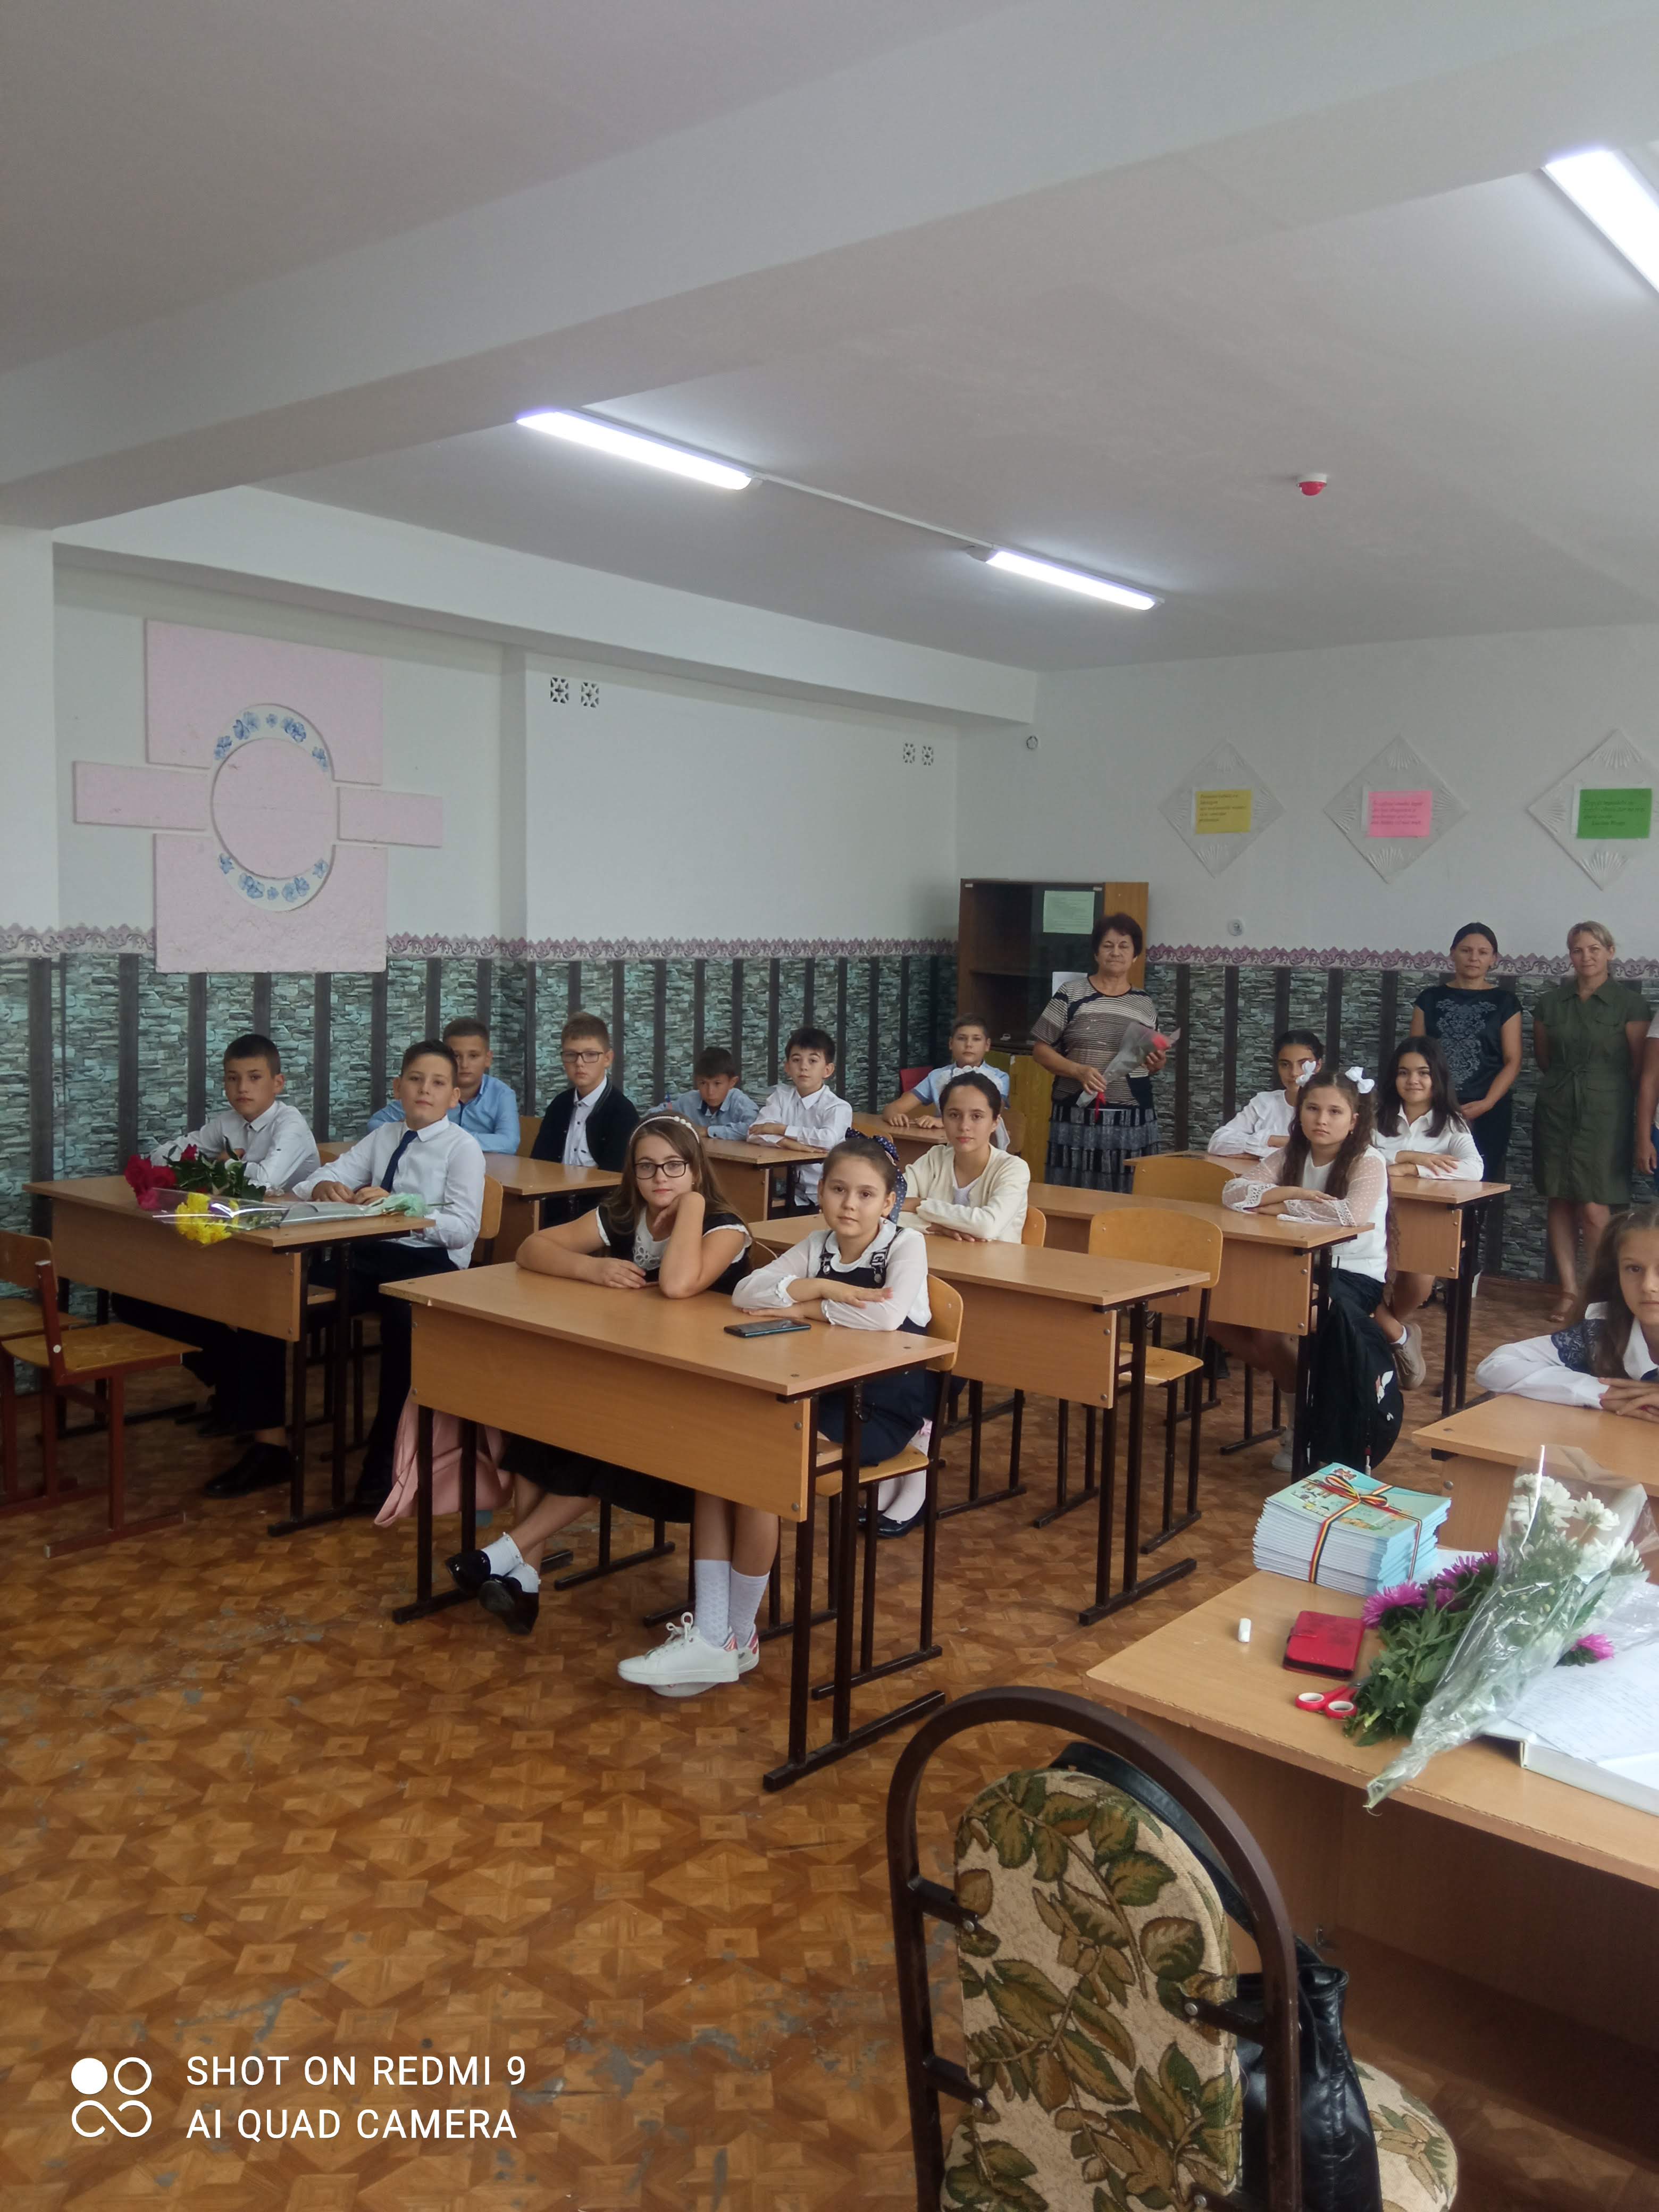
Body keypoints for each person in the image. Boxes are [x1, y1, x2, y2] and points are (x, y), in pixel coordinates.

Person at [619, 1136, 932, 1694]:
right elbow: (746, 1292)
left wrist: (804, 1306)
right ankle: (714, 1636)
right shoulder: (818, 1244)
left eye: (866, 1194)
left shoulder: (905, 1245)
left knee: (758, 1470)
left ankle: (736, 1637)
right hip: (817, 1391)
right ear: (822, 1192)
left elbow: (885, 1319)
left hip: (877, 1405)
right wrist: (820, 1287)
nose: (850, 1204)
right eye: (838, 1190)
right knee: (714, 1465)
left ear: (889, 1203)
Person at [447, 1116, 752, 1636]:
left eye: (675, 1166)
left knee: (604, 1444)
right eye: (647, 1167)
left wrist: (692, 1207)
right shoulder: (625, 1213)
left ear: (697, 1171)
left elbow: (678, 1284)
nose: (660, 1178)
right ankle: (524, 1580)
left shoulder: (724, 1227)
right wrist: (593, 1268)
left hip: (698, 1393)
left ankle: (501, 1554)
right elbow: (532, 1248)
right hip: (633, 1371)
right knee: (539, 1434)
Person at [119, 1032, 321, 1497]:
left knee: (257, 1315)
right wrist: (218, 1165)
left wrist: (220, 1167)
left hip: (294, 1253)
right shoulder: (227, 1122)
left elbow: (264, 1181)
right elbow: (163, 1155)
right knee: (136, 1297)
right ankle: (231, 1382)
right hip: (238, 1243)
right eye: (233, 1079)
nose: (242, 1088)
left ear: (278, 1083)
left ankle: (268, 1444)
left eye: (254, 1078)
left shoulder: (290, 1124)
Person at [294, 1040, 485, 1509]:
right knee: (289, 1301)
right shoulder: (384, 1136)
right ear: (398, 1087)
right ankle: (266, 1437)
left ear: (454, 1096)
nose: (425, 1090)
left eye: (438, 1083)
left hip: (431, 1266)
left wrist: (405, 1211)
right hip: (372, 1256)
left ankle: (383, 1470)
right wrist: (323, 1185)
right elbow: (314, 1180)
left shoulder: (463, 1149)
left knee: (404, 1335)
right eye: (415, 1080)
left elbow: (464, 1229)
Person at [1209, 1068, 1403, 1473]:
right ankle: (1306, 1394)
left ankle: (1303, 1423)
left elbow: (1349, 1215)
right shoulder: (1290, 1155)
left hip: (1353, 1273)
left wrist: (1278, 1206)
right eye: (1313, 1109)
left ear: (1354, 1120)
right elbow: (1233, 1193)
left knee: (1273, 1326)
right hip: (1294, 1265)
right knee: (1216, 1314)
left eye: (1335, 1112)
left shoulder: (1368, 1161)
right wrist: (1297, 1193)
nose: (1322, 1120)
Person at [1531, 921, 1653, 1322]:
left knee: (1596, 1207)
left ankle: (1601, 1294)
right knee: (1559, 1197)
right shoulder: (1551, 1003)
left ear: (1610, 952)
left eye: (1594, 949)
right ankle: (1569, 1290)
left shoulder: (1630, 1004)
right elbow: (1545, 1058)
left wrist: (1601, 1089)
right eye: (1578, 950)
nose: (1586, 957)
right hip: (1556, 1107)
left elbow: (1639, 1067)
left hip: (1607, 1111)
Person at [1477, 1203, 1659, 1418]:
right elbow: (1496, 1366)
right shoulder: (1604, 1329)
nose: (1648, 1285)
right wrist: (1607, 1394)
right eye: (1634, 1269)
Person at [1371, 1039, 1481, 1389]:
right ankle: (1394, 1335)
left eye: (1423, 1073)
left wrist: (1414, 1170)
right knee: (1351, 1277)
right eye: (1403, 1073)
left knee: (1420, 1279)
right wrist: (1408, 1157)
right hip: (1370, 1216)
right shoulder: (1375, 1116)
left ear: (1437, 1078)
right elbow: (1354, 1158)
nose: (1413, 1081)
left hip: (1421, 1222)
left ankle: (1382, 1332)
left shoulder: (1451, 1122)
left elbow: (1474, 1169)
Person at [1030, 912, 1167, 1190]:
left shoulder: (1144, 1003)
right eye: (1108, 945)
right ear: (1096, 953)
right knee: (1071, 1191)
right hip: (1076, 1113)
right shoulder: (1071, 994)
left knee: (1126, 1192)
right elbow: (1040, 1050)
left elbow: (1151, 1063)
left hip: (1132, 1117)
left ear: (1135, 956)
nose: (1116, 952)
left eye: (1124, 946)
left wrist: (1157, 1062)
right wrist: (1077, 1070)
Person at [1410, 924, 1522, 1191]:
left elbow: (1513, 1060)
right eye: (1466, 950)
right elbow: (1414, 1057)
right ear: (1452, 953)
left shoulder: (1505, 1002)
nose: (1474, 958)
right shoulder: (1429, 999)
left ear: (1494, 959)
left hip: (1488, 1108)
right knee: (1429, 1179)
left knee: (1480, 1184)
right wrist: (1430, 1102)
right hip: (1433, 1106)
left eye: (1483, 952)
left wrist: (1487, 1103)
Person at [900, 1072, 1030, 1244]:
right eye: (954, 1115)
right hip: (937, 1257)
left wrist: (920, 1204)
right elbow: (885, 1208)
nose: (964, 1126)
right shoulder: (935, 1158)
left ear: (995, 1123)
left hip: (994, 1261)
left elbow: (987, 1227)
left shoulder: (1013, 1168)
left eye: (977, 1116)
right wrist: (935, 1227)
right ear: (943, 1119)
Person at [530, 1012, 639, 1216]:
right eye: (571, 1055)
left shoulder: (623, 1112)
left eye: (590, 1055)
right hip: (554, 1208)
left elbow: (614, 1180)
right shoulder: (559, 1105)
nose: (579, 1063)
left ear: (608, 1059)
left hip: (601, 1214)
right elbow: (539, 1164)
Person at [367, 1016, 519, 1151]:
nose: (464, 1064)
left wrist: (445, 1138)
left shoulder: (502, 1094)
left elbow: (509, 1143)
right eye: (456, 1056)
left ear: (488, 1059)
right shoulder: (428, 1092)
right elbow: (375, 1124)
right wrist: (402, 1130)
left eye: (473, 1056)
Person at [748, 1026, 853, 1211]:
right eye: (796, 1060)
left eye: (813, 1061)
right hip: (793, 1195)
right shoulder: (781, 1097)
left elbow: (828, 1140)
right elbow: (754, 1133)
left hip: (828, 1196)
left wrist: (781, 1130)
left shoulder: (838, 1107)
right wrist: (790, 1144)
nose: (804, 1067)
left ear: (828, 1070)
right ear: (788, 1067)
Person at [883, 1013, 1011, 1149]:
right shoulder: (937, 1076)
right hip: (945, 1145)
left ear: (987, 1045)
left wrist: (942, 1122)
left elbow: (994, 1114)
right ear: (951, 1044)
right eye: (962, 1038)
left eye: (976, 1039)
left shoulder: (999, 1078)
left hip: (982, 1147)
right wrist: (893, 1115)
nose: (969, 1045)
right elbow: (893, 1108)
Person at [1206, 1030, 1323, 1159]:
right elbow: (1217, 1142)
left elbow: (1318, 1155)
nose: (1294, 1073)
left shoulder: (1329, 1108)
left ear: (1318, 1066)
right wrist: (1272, 1140)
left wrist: (1256, 1154)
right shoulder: (1264, 1102)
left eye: (1303, 1064)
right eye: (1285, 1065)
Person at [653, 1043, 759, 1138]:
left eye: (717, 1084)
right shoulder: (688, 1101)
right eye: (703, 1083)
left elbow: (753, 1129)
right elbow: (654, 1115)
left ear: (732, 1083)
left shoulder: (740, 1102)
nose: (710, 1092)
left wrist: (707, 1131)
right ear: (696, 1081)